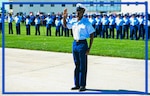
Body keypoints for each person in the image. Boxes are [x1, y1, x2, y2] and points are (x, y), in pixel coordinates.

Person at [63, 3, 95, 91]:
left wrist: (89, 48)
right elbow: (65, 26)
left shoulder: (86, 22)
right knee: (77, 64)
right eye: (76, 11)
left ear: (83, 12)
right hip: (75, 43)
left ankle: (82, 85)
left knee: (82, 66)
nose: (77, 13)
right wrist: (64, 17)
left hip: (82, 44)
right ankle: (76, 84)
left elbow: (92, 34)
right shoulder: (73, 21)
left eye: (79, 11)